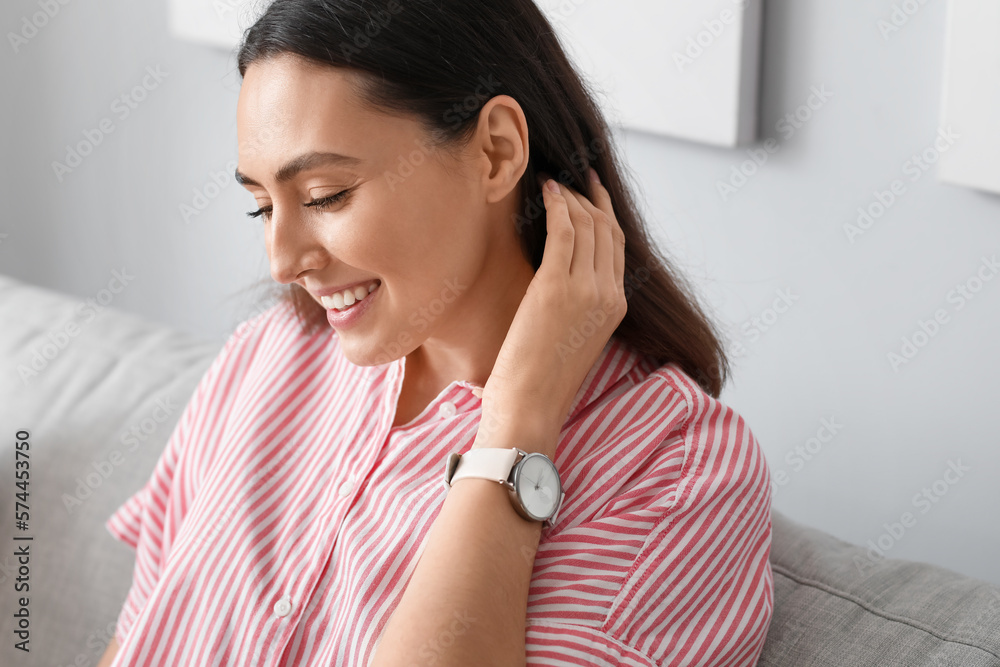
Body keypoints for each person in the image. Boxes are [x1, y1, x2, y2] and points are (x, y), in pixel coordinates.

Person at [99, 1, 773, 665]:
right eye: (262, 206)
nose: (282, 260)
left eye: (325, 195)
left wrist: (515, 430)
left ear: (496, 151)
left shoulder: (676, 473)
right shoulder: (267, 356)